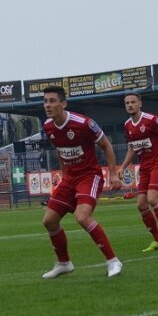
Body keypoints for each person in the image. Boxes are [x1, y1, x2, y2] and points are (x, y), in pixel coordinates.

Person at [40, 86, 124, 279]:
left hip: (89, 175)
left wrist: (112, 174)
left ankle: (113, 261)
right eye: (45, 101)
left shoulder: (83, 123)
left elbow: (106, 145)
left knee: (82, 217)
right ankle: (64, 263)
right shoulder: (48, 126)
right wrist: (63, 174)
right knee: (49, 221)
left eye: (52, 101)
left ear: (63, 103)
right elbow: (61, 150)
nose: (48, 105)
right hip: (69, 178)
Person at [118, 92, 158, 252]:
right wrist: (123, 167)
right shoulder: (127, 125)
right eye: (127, 103)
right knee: (141, 204)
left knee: (152, 199)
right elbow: (132, 148)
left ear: (140, 103)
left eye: (132, 102)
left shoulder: (151, 120)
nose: (130, 105)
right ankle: (157, 240)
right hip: (144, 167)